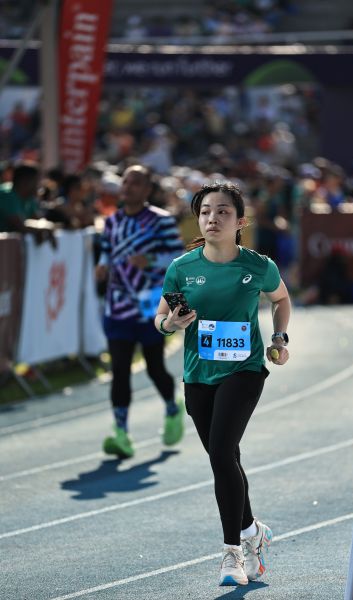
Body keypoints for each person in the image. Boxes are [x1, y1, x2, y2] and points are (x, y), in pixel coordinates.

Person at [154, 181, 291, 586]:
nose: (212, 218)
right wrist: (170, 324)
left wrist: (279, 339)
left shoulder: (258, 266)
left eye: (223, 211)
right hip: (198, 374)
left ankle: (232, 553)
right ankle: (253, 531)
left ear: (240, 222)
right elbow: (160, 319)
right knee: (226, 457)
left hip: (244, 370)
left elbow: (281, 299)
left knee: (219, 453)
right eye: (205, 212)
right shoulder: (181, 268)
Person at [95, 164, 185, 459]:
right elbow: (107, 249)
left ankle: (172, 408)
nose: (128, 187)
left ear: (147, 190)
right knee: (119, 370)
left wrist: (151, 260)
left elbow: (177, 257)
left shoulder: (161, 221)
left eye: (135, 183)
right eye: (125, 181)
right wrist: (102, 265)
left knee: (154, 367)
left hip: (149, 306)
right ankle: (121, 433)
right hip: (118, 306)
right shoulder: (112, 221)